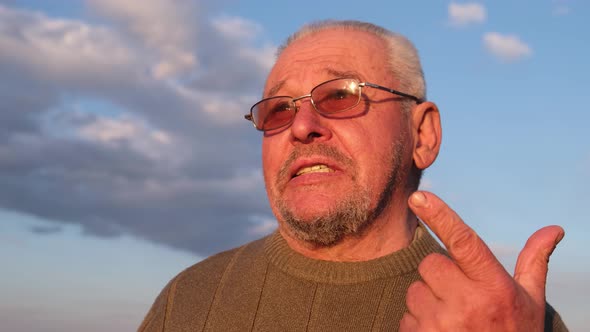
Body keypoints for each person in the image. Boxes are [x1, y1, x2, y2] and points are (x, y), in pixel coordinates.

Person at [138, 20, 567, 331]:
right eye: (278, 109)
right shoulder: (190, 298)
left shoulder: (506, 315)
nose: (301, 126)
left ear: (422, 135)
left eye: (341, 95)